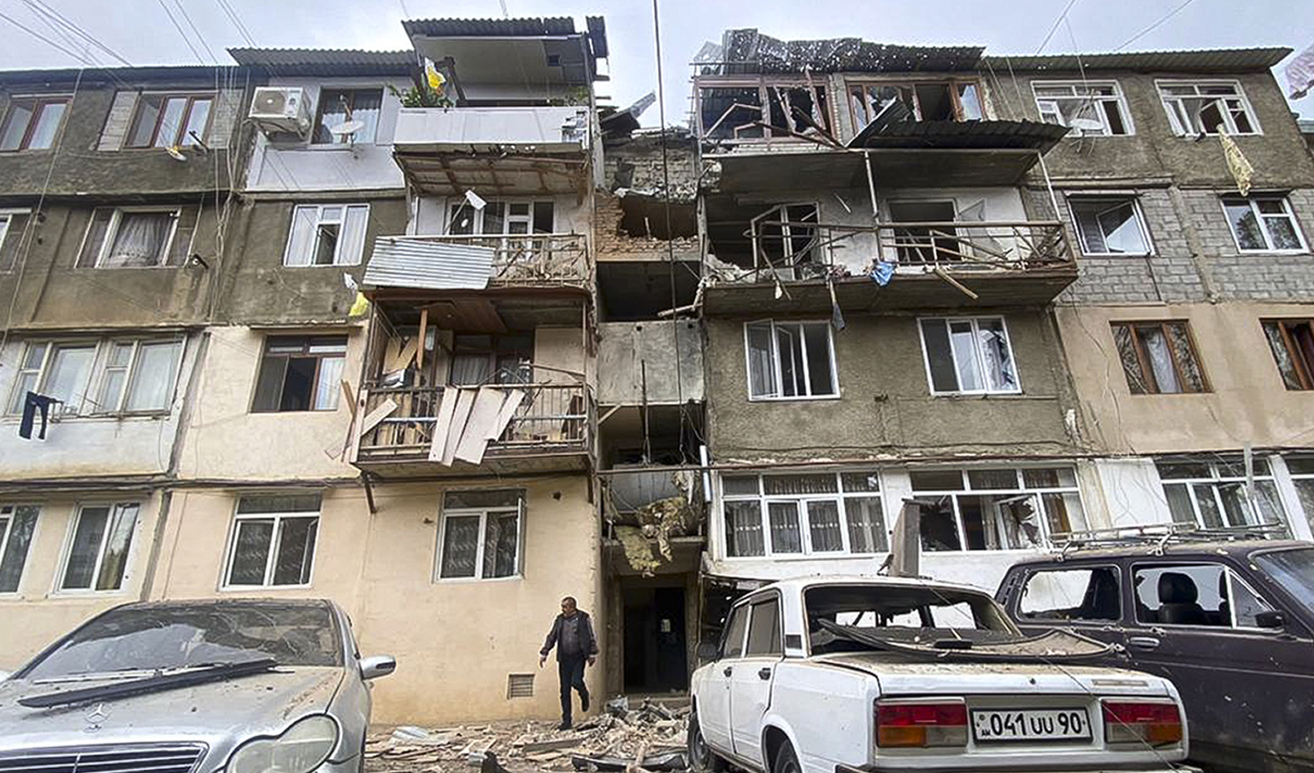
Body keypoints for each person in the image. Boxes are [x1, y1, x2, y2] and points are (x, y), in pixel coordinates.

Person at [539, 596, 598, 730]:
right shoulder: (560, 620)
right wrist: (544, 652)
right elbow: (552, 636)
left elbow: (590, 635)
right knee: (564, 690)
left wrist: (592, 654)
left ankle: (584, 694)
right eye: (562, 607)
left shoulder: (583, 618)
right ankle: (567, 721)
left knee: (576, 681)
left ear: (572, 607)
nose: (563, 609)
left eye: (565, 607)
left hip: (578, 657)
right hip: (564, 658)